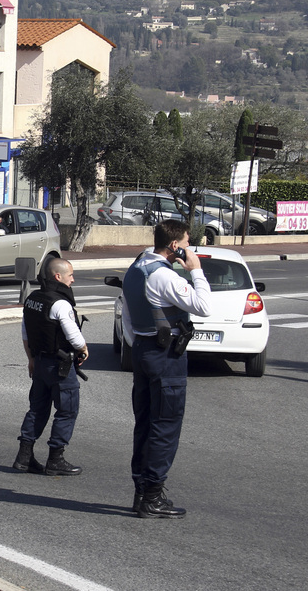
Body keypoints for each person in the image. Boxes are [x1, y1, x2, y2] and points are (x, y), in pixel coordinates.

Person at [121, 220, 212, 519]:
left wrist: (139, 345)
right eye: (186, 243)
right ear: (175, 246)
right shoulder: (163, 276)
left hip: (144, 351)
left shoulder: (136, 270)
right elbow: (203, 305)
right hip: (165, 356)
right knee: (165, 426)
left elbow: (128, 318)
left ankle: (141, 491)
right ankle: (152, 496)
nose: (188, 248)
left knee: (145, 423)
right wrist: (195, 269)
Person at [13, 258, 88, 476]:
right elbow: (73, 335)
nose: (72, 279)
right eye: (70, 275)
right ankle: (56, 458)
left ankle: (24, 457)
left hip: (40, 363)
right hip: (59, 365)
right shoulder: (60, 303)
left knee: (37, 409)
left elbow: (26, 333)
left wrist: (31, 359)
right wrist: (84, 349)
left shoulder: (33, 299)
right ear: (58, 276)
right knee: (67, 410)